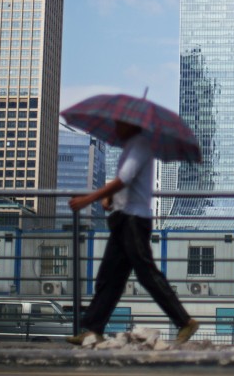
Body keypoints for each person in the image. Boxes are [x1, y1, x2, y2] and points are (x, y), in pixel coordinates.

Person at [66, 121, 199, 346]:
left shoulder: (140, 146)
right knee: (109, 277)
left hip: (133, 222)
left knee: (146, 273)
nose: (116, 128)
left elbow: (124, 179)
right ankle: (93, 330)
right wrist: (110, 199)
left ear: (132, 126)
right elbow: (125, 185)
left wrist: (89, 199)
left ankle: (184, 321)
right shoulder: (131, 148)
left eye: (120, 124)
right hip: (123, 219)